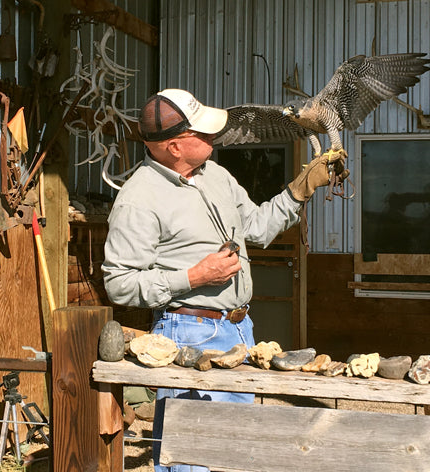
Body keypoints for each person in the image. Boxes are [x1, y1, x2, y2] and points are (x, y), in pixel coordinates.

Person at [102, 89, 339, 472]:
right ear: (175, 146)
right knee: (191, 461)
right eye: (203, 133)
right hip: (187, 334)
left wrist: (301, 189)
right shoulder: (138, 198)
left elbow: (257, 229)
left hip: (240, 330)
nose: (214, 136)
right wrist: (194, 276)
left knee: (234, 456)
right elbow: (119, 283)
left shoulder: (216, 176)